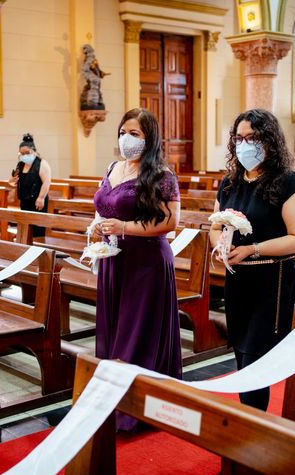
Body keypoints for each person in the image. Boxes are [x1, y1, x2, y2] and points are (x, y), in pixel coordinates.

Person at [210, 108, 295, 411]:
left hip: (273, 283)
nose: (244, 144)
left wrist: (253, 249)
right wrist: (221, 245)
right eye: (239, 138)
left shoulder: (287, 183)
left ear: (269, 140)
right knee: (242, 356)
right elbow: (215, 226)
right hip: (238, 280)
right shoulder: (229, 183)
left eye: (252, 138)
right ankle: (249, 423)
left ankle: (254, 425)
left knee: (255, 360)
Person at [93, 107, 182, 431]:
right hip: (114, 260)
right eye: (123, 132)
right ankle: (114, 399)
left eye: (135, 134)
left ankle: (131, 411)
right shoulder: (113, 167)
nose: (126, 139)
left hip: (146, 263)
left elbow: (171, 222)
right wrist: (97, 227)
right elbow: (104, 206)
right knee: (117, 330)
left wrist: (125, 227)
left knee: (136, 333)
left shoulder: (161, 176)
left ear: (150, 139)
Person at [8, 133, 51, 237]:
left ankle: (39, 248)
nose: (24, 156)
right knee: (26, 227)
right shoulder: (20, 164)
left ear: (34, 151)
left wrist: (41, 198)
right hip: (24, 200)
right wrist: (12, 180)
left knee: (37, 229)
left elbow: (47, 182)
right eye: (22, 153)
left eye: (27, 153)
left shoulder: (42, 163)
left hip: (37, 201)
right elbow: (13, 179)